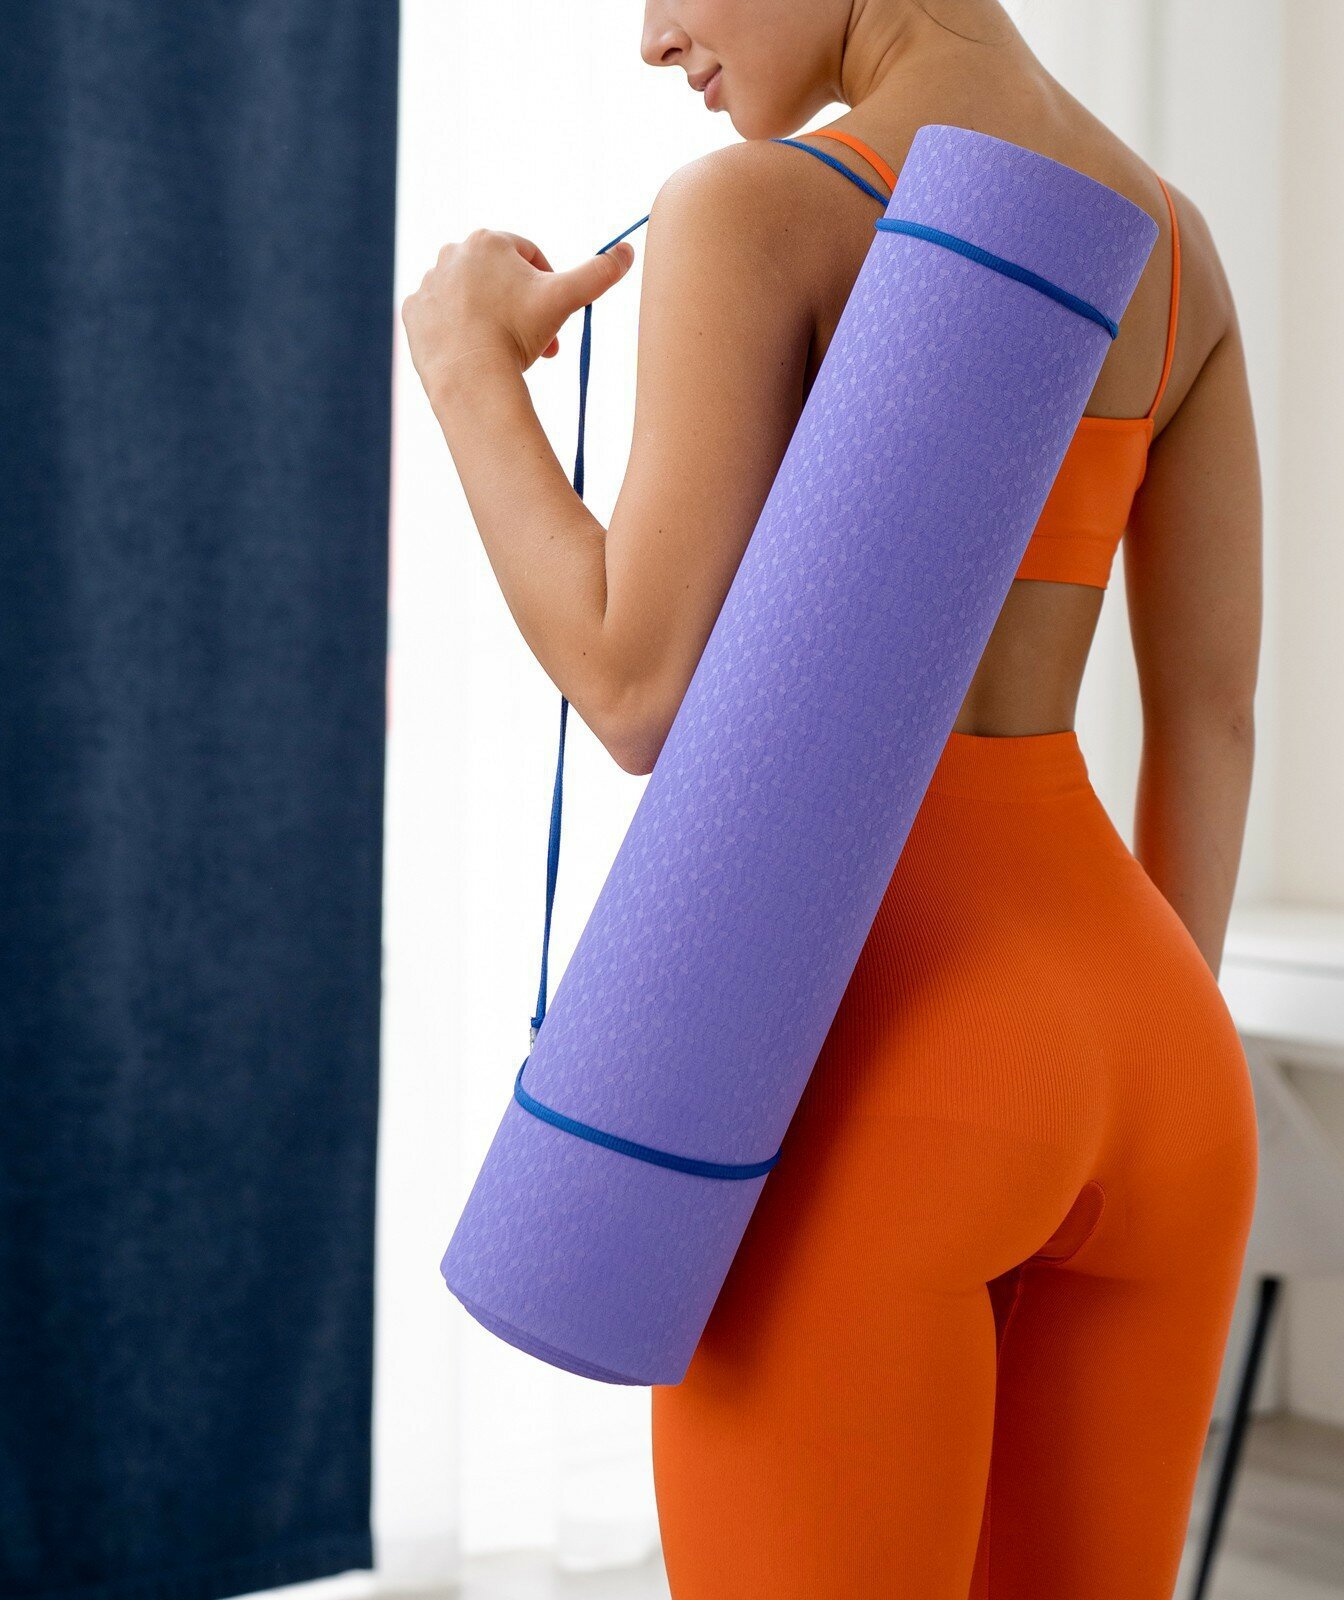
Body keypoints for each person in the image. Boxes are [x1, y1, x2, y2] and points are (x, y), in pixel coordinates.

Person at [402, 1, 1263, 1593]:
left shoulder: (759, 210)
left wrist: (466, 368)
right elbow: (1209, 718)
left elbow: (637, 686)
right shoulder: (1173, 242)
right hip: (1162, 1066)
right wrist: (1105, 1073)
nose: (652, 37)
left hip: (875, 1057)